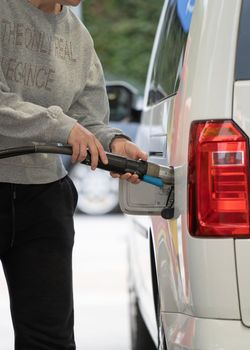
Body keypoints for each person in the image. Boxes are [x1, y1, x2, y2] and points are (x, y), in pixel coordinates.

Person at [0, 0, 147, 349]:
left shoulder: (77, 36)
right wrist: (61, 126)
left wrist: (115, 141)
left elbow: (88, 118)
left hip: (44, 196)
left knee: (50, 338)